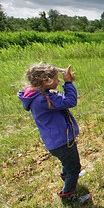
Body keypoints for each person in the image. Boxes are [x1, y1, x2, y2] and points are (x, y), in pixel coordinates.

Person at [17, 63, 82, 200]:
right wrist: (68, 82)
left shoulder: (37, 95)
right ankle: (68, 194)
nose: (59, 81)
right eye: (57, 79)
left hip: (55, 142)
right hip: (63, 142)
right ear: (46, 81)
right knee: (75, 168)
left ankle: (68, 176)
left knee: (67, 162)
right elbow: (70, 101)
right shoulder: (43, 99)